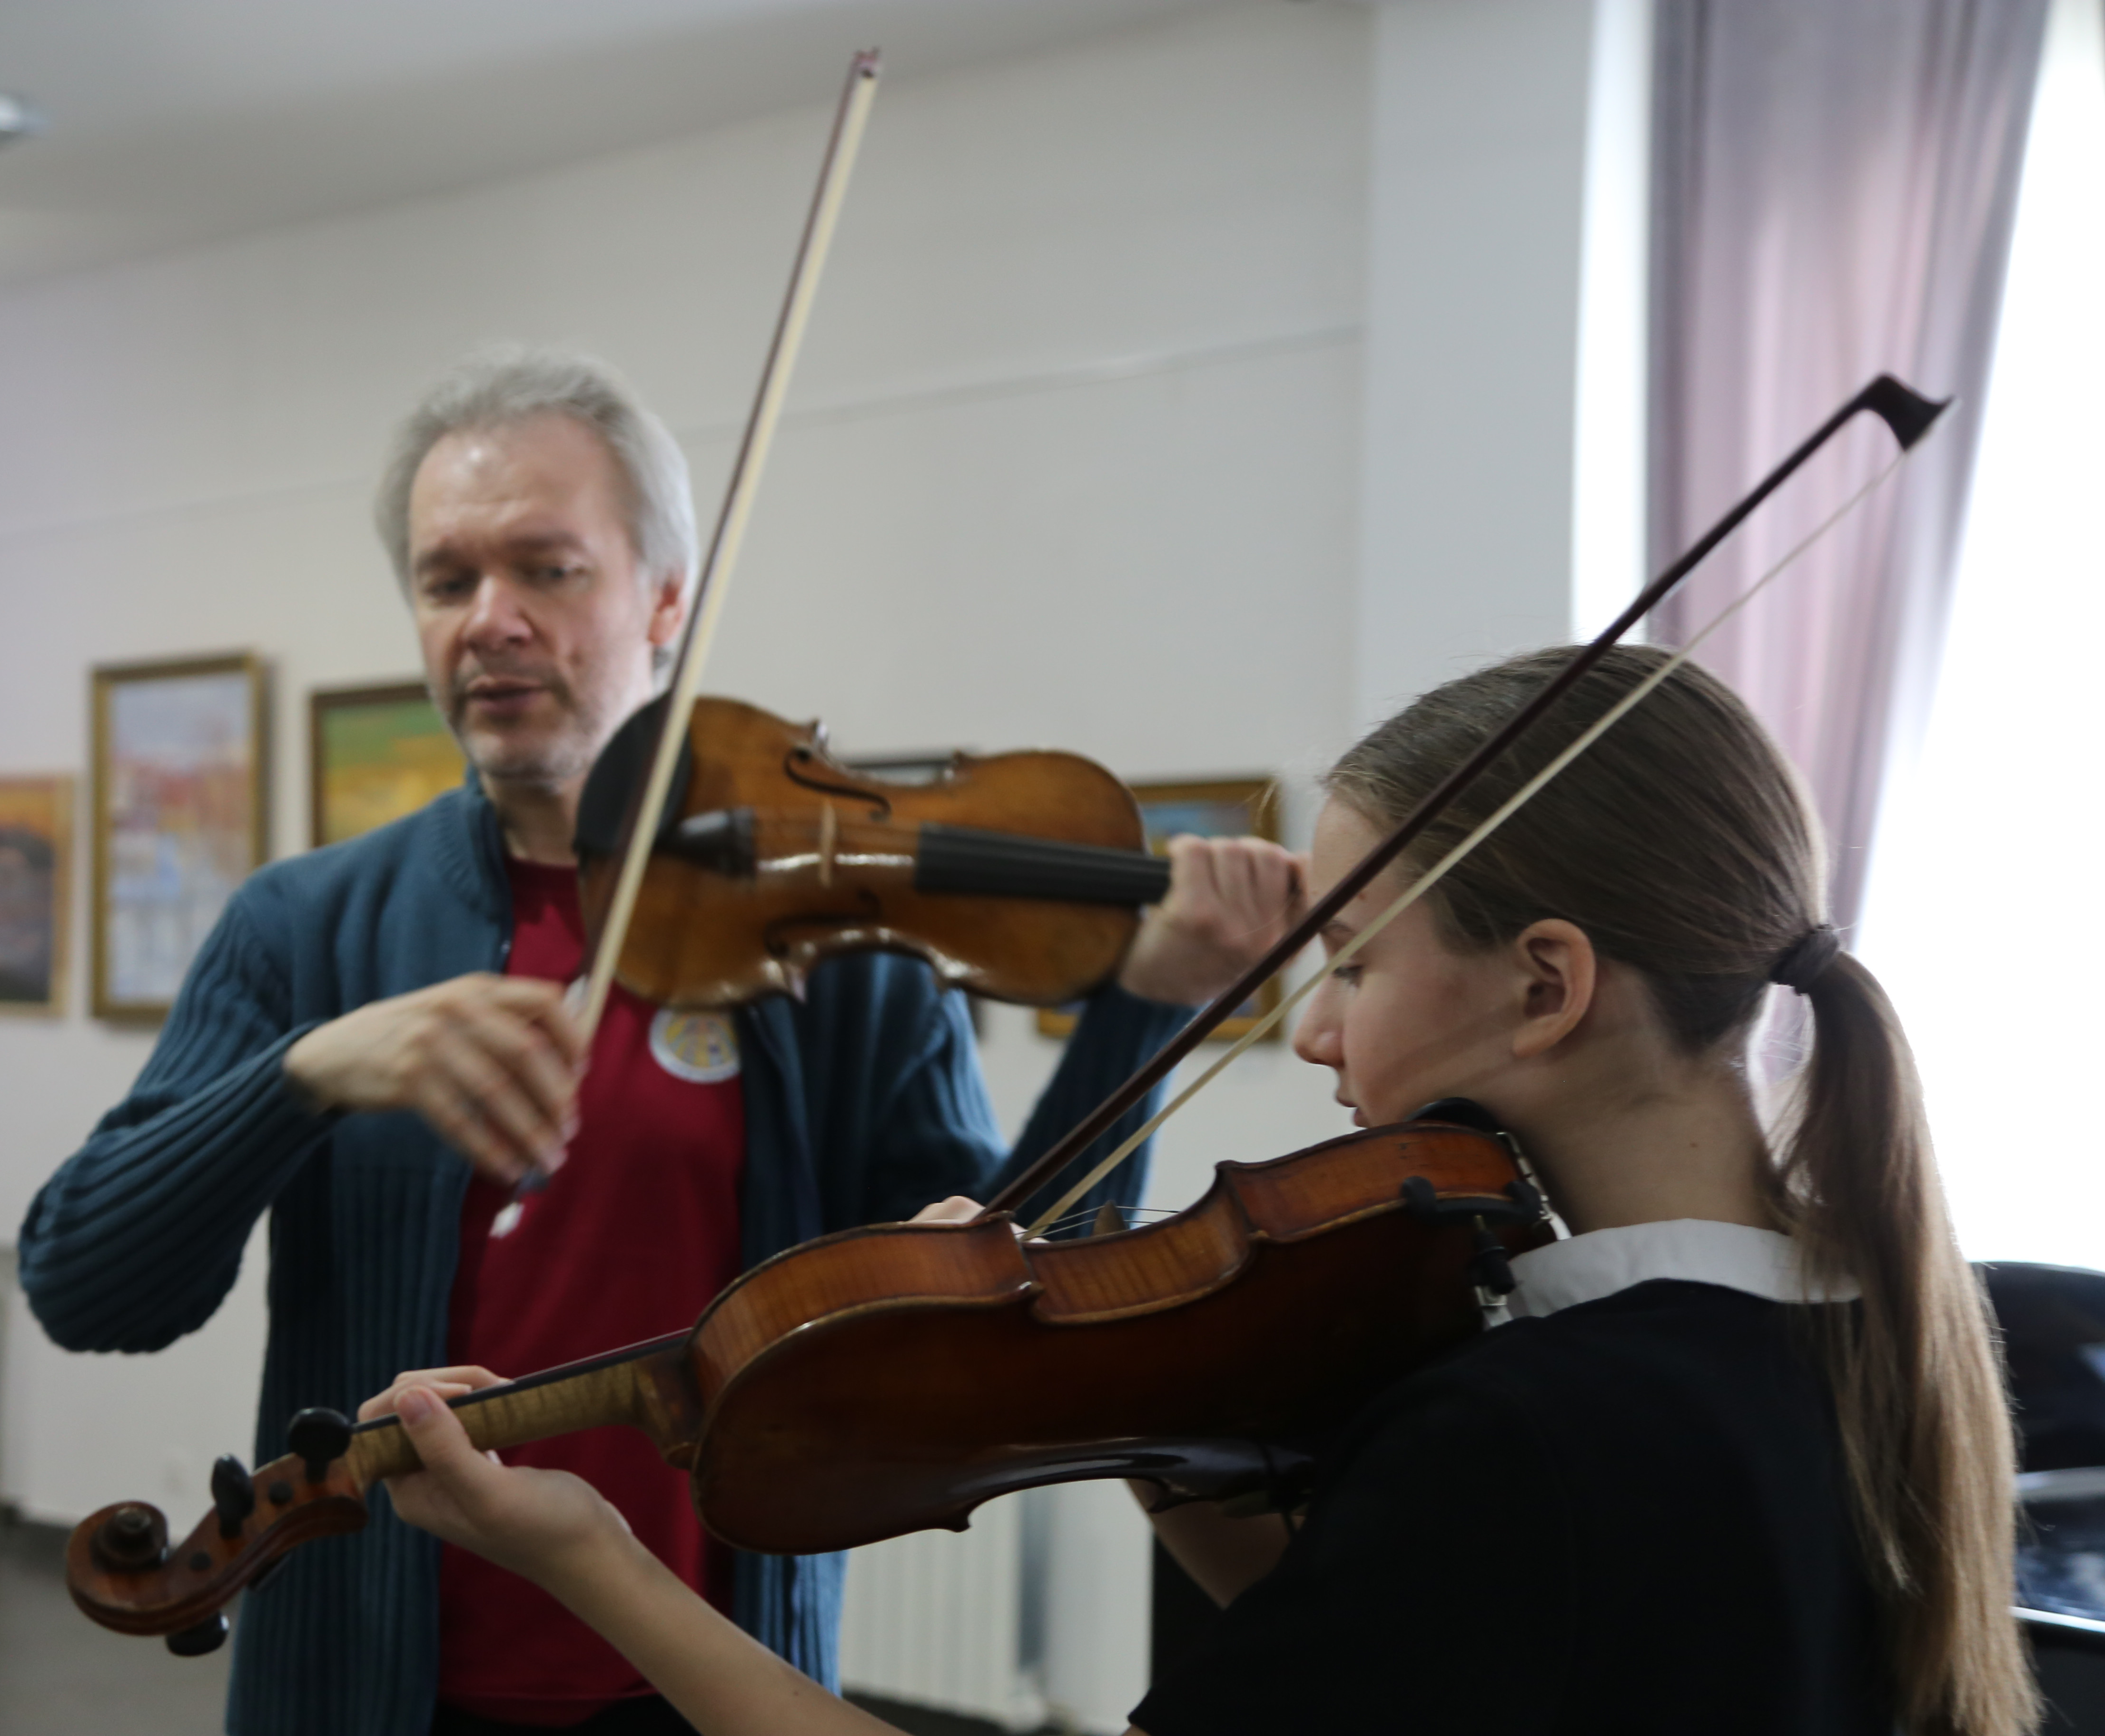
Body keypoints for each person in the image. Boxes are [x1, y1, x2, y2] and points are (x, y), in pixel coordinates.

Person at [368, 643, 2036, 1736]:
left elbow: (1466, 1555)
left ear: (1547, 985)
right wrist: (1150, 1412)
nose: (1313, 1035)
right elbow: (1409, 1654)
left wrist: (593, 1557)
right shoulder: (1854, 1326)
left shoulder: (1537, 1430)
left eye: (1357, 964)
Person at [17, 347, 1297, 1736]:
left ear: (666, 598)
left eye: (547, 569)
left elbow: (995, 1317)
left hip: (713, 1676)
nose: (489, 621)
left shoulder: (838, 948)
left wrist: (1146, 1008)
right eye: (447, 581)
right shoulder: (304, 925)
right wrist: (306, 1076)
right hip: (371, 1678)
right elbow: (90, 1289)